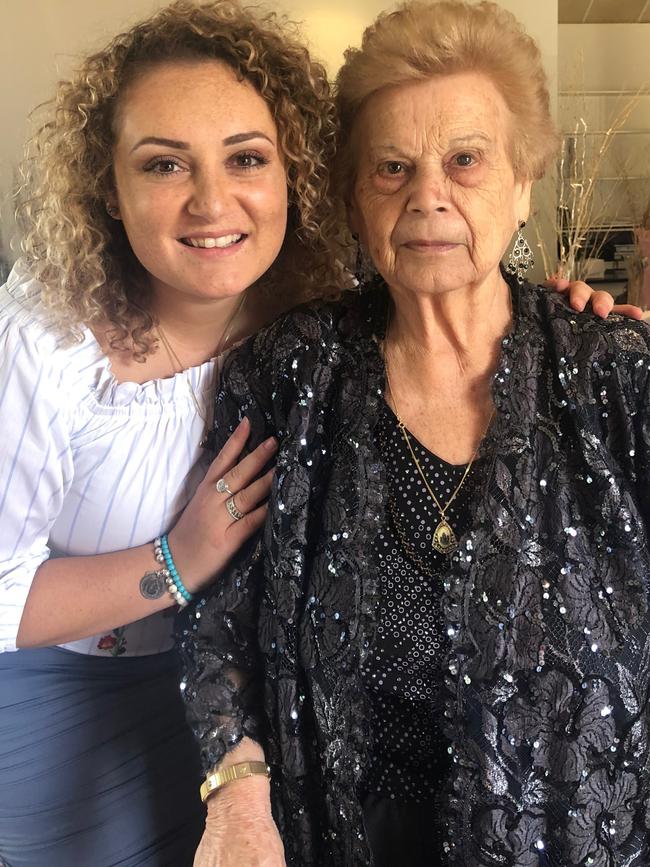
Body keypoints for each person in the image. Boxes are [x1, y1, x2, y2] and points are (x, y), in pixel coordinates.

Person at [179, 2, 650, 866]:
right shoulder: (291, 370)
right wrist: (236, 788)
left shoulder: (613, 372)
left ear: (521, 187)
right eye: (392, 167)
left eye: (465, 160)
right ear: (358, 203)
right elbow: (219, 612)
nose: (427, 194)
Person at [0, 2, 340, 865]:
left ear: (292, 173)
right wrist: (177, 562)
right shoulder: (48, 338)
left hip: (254, 718)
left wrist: (572, 327)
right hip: (70, 714)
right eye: (164, 165)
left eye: (247, 158)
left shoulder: (317, 316)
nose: (212, 202)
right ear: (108, 190)